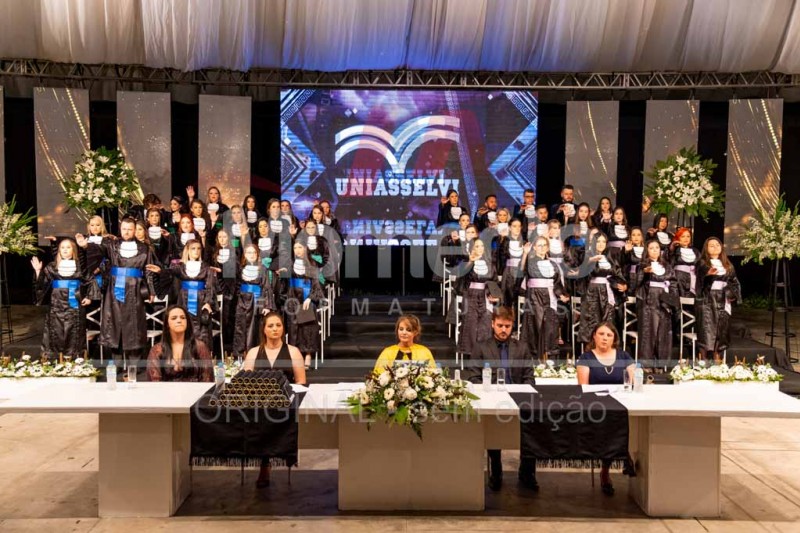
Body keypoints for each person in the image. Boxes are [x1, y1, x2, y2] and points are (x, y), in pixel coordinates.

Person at [467, 307, 537, 491]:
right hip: (492, 398)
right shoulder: (481, 347)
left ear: (512, 325)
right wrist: (489, 392)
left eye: (507, 326)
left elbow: (529, 377)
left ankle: (527, 473)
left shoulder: (522, 347)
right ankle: (496, 472)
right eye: (500, 325)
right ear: (492, 324)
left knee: (531, 429)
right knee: (494, 432)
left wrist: (522, 393)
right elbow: (473, 377)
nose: (503, 329)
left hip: (518, 398)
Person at [76, 217, 157, 372]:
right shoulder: (111, 245)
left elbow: (149, 271)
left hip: (134, 289)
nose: (126, 232)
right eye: (124, 229)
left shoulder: (144, 248)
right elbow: (96, 252)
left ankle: (134, 367)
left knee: (134, 326)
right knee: (114, 324)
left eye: (130, 229)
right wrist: (85, 246)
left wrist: (151, 291)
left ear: (135, 230)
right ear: (120, 229)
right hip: (114, 290)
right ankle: (116, 365)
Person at [243, 311, 307, 488]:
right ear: (263, 329)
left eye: (278, 325)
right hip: (260, 403)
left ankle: (272, 460)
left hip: (285, 404)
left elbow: (301, 382)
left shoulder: (293, 352)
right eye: (270, 326)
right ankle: (264, 464)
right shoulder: (253, 353)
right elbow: (246, 382)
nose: (275, 329)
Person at [576, 321, 636, 496]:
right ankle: (611, 466)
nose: (604, 338)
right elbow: (583, 388)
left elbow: (633, 382)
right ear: (594, 336)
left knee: (620, 420)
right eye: (601, 334)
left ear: (614, 339)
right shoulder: (586, 358)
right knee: (609, 423)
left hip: (621, 404)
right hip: (596, 407)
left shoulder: (624, 356)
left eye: (609, 335)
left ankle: (621, 455)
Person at [147, 239, 217, 347]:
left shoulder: (206, 268)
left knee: (202, 329)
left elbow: (210, 286)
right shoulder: (181, 267)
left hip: (200, 300)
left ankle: (202, 352)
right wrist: (160, 270)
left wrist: (208, 303)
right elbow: (169, 272)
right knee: (184, 324)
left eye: (199, 248)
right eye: (193, 248)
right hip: (184, 299)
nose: (196, 251)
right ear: (187, 250)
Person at [32, 238, 91, 358]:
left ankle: (75, 358)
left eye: (68, 247)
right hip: (56, 303)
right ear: (59, 250)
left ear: (73, 250)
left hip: (75, 302)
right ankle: (56, 359)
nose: (65, 250)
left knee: (74, 330)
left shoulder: (80, 266)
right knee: (56, 329)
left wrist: (89, 297)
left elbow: (90, 280)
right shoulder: (52, 266)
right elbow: (42, 285)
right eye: (62, 247)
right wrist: (38, 271)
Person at [520, 237, 570, 362]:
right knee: (534, 326)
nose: (542, 247)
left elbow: (557, 283)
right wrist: (525, 253)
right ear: (534, 247)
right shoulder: (530, 261)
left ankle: (550, 360)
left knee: (550, 327)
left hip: (550, 297)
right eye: (539, 245)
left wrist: (561, 295)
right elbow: (521, 271)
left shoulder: (553, 264)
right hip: (534, 297)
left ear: (548, 247)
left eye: (544, 245)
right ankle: (533, 359)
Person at [696, 237, 741, 363]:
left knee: (722, 329)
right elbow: (700, 278)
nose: (715, 247)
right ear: (706, 249)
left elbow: (735, 283)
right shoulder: (702, 263)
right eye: (712, 245)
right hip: (707, 299)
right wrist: (708, 274)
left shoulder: (728, 265)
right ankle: (703, 358)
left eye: (717, 245)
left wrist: (732, 294)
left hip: (723, 298)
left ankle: (718, 357)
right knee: (706, 329)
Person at [578, 233, 627, 346]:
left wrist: (624, 285)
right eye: (598, 241)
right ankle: (591, 351)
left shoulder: (610, 257)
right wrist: (590, 260)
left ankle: (608, 349)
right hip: (592, 293)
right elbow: (581, 272)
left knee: (608, 321)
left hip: (608, 291)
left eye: (603, 242)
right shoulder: (587, 255)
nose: (601, 244)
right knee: (592, 321)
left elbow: (617, 273)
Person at [283, 241, 324, 369]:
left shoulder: (312, 264)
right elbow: (284, 285)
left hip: (307, 298)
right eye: (295, 247)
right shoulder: (290, 264)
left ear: (305, 248)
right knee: (293, 326)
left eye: (300, 247)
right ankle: (296, 354)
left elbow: (316, 285)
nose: (297, 250)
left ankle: (308, 354)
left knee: (307, 324)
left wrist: (310, 298)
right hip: (293, 298)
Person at [636, 240, 676, 370]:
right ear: (647, 250)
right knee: (648, 331)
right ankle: (646, 363)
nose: (654, 250)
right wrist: (645, 273)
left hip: (664, 299)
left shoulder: (667, 266)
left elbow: (673, 283)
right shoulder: (642, 265)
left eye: (657, 247)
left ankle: (661, 365)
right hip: (649, 299)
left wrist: (672, 299)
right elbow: (637, 282)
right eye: (651, 248)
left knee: (664, 332)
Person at [233, 244, 279, 358]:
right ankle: (240, 355)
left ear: (257, 254)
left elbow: (266, 288)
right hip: (242, 301)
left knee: (254, 328)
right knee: (240, 327)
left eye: (254, 252)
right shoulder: (240, 269)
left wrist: (266, 306)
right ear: (245, 255)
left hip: (257, 300)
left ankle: (253, 354)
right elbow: (237, 285)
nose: (252, 255)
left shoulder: (262, 269)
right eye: (249, 252)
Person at [146, 305, 213, 382]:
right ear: (167, 324)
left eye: (183, 318)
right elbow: (154, 383)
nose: (179, 320)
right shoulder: (157, 350)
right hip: (165, 389)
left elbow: (207, 379)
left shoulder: (200, 347)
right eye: (174, 318)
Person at [456, 239, 499, 356]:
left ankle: (484, 353)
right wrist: (470, 261)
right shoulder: (467, 261)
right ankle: (470, 354)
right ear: (472, 248)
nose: (480, 248)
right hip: (471, 295)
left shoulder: (490, 264)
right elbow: (461, 276)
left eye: (481, 246)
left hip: (485, 296)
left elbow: (495, 282)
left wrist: (495, 296)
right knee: (470, 324)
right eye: (477, 246)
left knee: (486, 324)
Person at [669, 227, 700, 298]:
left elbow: (700, 264)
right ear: (678, 238)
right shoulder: (676, 250)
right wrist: (672, 247)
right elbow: (669, 258)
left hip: (692, 277)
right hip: (678, 278)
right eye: (683, 236)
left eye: (688, 236)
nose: (686, 238)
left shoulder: (695, 251)